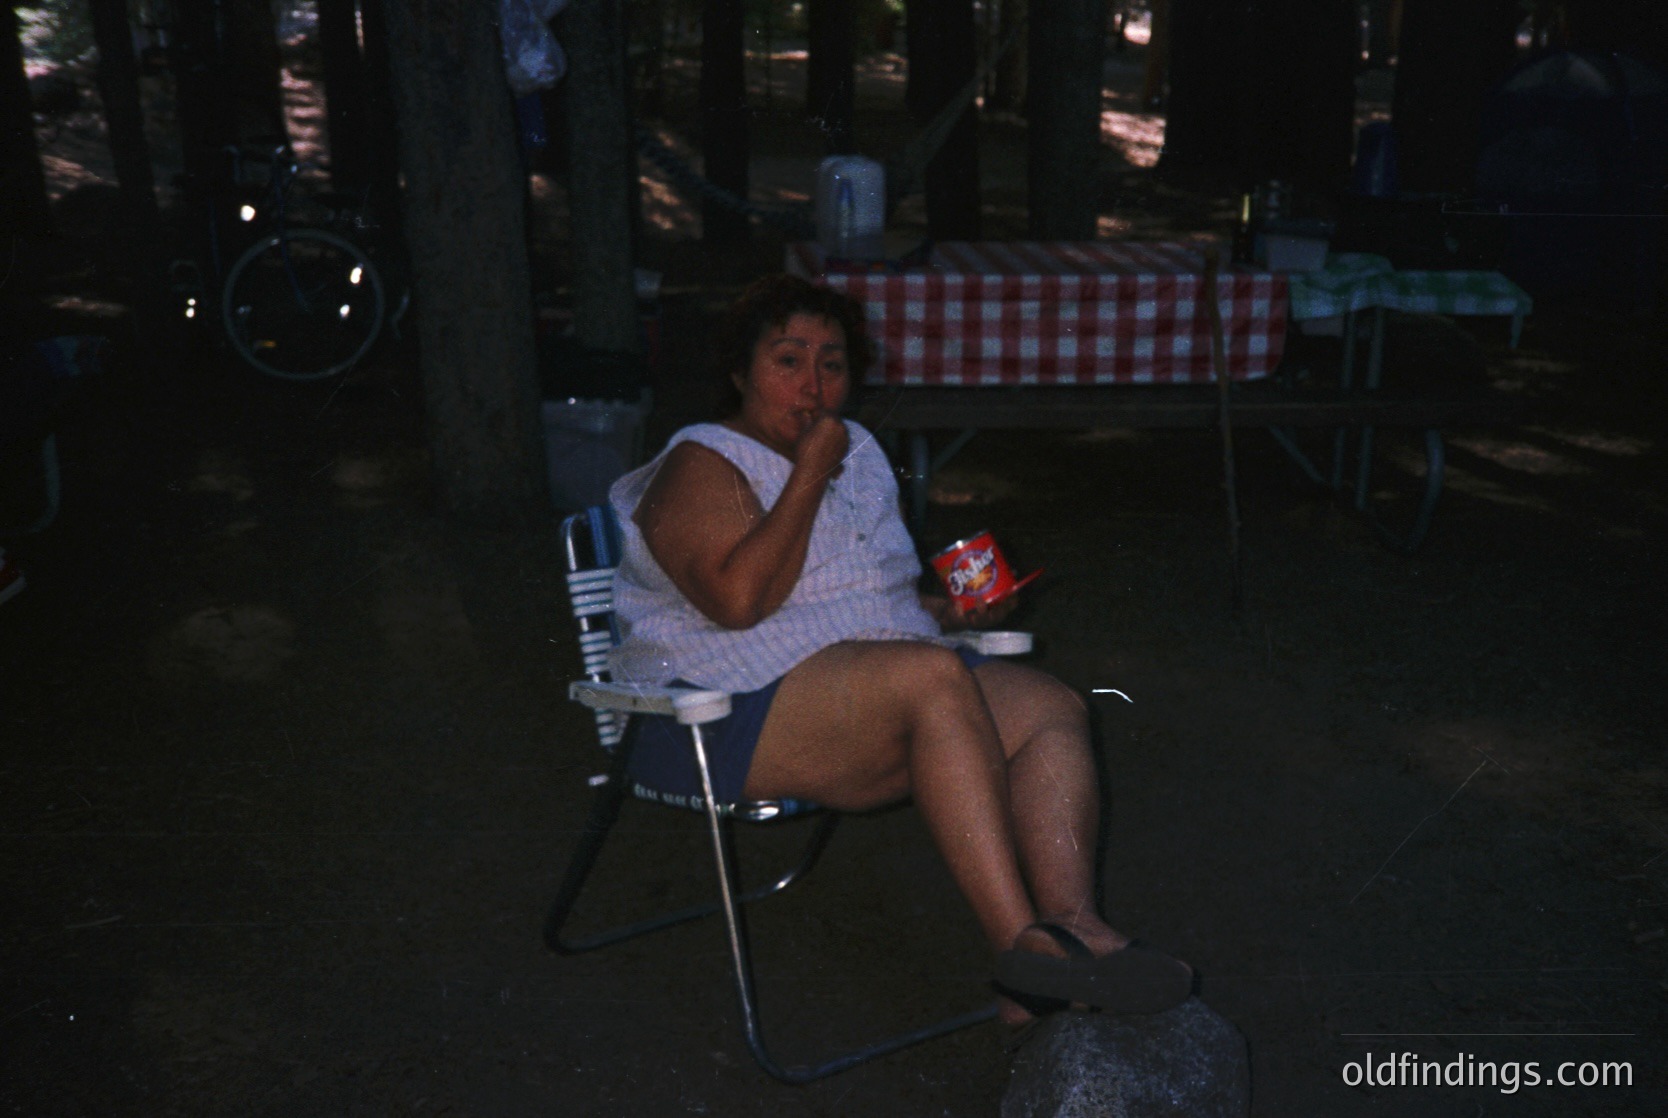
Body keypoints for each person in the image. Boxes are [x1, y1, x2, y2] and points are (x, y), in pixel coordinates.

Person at [607, 274, 1193, 1021]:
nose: (813, 384)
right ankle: (1023, 955)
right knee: (931, 676)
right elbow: (738, 601)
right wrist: (811, 474)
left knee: (1050, 705)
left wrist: (946, 610)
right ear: (738, 372)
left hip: (854, 696)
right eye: (788, 360)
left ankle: (1073, 924)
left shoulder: (861, 453)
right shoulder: (703, 460)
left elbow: (854, 602)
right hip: (714, 713)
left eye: (833, 363)